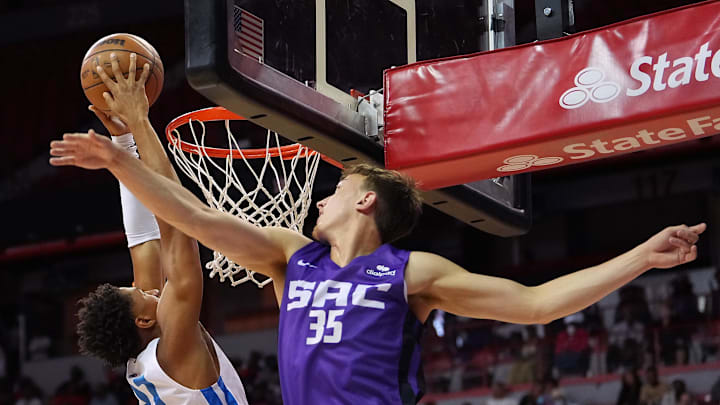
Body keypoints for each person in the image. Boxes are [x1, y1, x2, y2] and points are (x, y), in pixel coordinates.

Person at [50, 52, 707, 405]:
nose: (321, 197)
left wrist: (639, 258)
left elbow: (535, 305)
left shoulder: (412, 276)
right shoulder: (290, 256)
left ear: (365, 204)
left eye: (337, 187)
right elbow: (187, 219)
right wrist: (120, 156)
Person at [70, 54, 248, 404]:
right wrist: (139, 120)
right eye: (141, 294)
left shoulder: (145, 354)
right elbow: (177, 224)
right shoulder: (173, 353)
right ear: (143, 320)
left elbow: (142, 239)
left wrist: (123, 142)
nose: (149, 289)